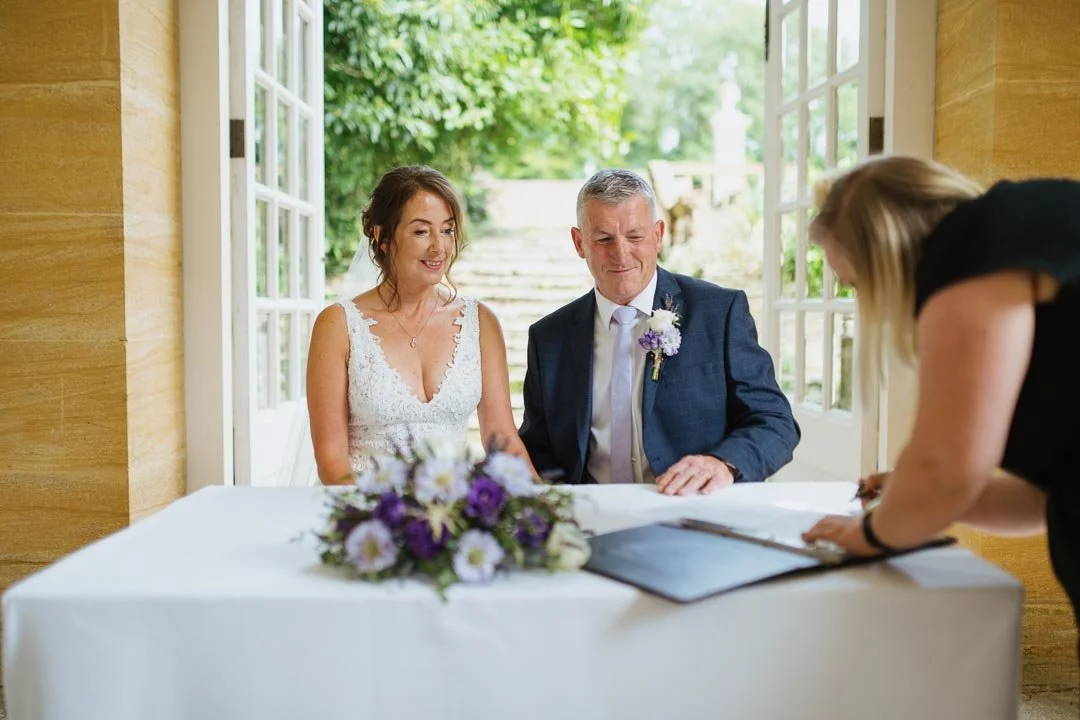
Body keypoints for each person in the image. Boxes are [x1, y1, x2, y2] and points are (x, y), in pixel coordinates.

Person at [801, 155, 1080, 627]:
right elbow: (1043, 499)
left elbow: (945, 469)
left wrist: (869, 532)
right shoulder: (1026, 227)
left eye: (856, 283)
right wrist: (912, 494)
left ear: (885, 254)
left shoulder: (970, 249)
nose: (869, 303)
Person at [519, 169, 800, 494]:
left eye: (635, 237)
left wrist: (722, 463)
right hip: (588, 522)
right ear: (579, 242)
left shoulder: (719, 313)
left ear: (658, 235)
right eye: (603, 239)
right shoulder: (548, 338)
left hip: (693, 512)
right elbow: (536, 452)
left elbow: (775, 423)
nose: (621, 253)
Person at [306, 166, 533, 485]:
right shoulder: (337, 325)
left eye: (447, 230)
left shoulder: (480, 322)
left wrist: (546, 506)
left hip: (451, 517)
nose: (439, 248)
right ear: (382, 237)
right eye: (421, 231)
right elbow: (332, 464)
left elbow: (502, 438)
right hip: (364, 517)